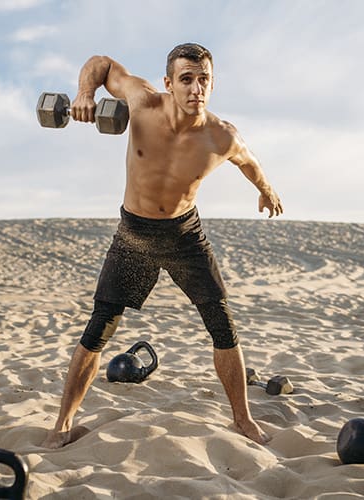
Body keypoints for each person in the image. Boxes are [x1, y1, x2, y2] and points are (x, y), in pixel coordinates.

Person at [42, 43, 283, 449]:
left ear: (212, 83)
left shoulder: (221, 136)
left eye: (203, 79)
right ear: (169, 83)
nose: (196, 89)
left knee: (222, 325)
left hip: (184, 236)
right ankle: (62, 425)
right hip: (134, 234)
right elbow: (101, 64)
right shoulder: (141, 102)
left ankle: (243, 419)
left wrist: (267, 190)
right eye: (186, 79)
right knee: (100, 327)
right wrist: (85, 94)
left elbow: (249, 162)